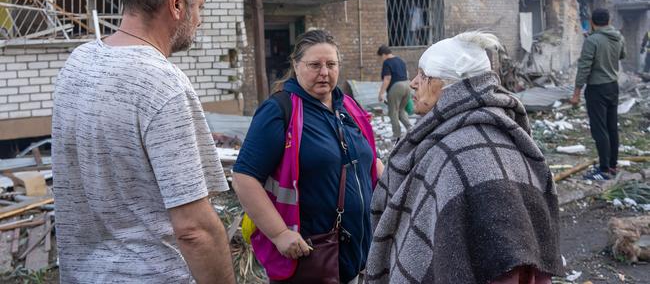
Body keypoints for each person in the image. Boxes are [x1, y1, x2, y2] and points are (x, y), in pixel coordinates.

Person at [52, 0, 235, 284]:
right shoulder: (163, 83)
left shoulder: (77, 63)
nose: (200, 19)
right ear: (177, 3)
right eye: (200, 6)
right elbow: (194, 229)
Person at [367, 32, 563, 284]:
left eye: (424, 75)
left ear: (451, 87)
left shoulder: (458, 152)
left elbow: (503, 263)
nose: (414, 83)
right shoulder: (494, 132)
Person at [232, 29, 383, 284]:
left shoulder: (347, 107)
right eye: (314, 65)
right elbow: (244, 178)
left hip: (354, 257)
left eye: (331, 64)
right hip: (311, 258)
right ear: (296, 65)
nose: (324, 72)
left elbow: (369, 161)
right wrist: (280, 234)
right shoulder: (280, 110)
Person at [571, 8, 626, 180]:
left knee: (599, 129)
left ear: (593, 23)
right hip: (612, 87)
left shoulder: (592, 40)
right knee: (611, 127)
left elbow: (584, 67)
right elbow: (622, 55)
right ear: (609, 21)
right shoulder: (618, 37)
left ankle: (603, 169)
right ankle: (612, 166)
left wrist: (576, 93)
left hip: (597, 88)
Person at [377, 45, 411, 139]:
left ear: (383, 54)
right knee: (401, 110)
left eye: (381, 57)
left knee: (393, 112)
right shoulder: (400, 60)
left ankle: (396, 135)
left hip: (396, 87)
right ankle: (410, 129)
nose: (381, 59)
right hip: (407, 85)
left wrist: (381, 93)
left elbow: (387, 78)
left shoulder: (387, 62)